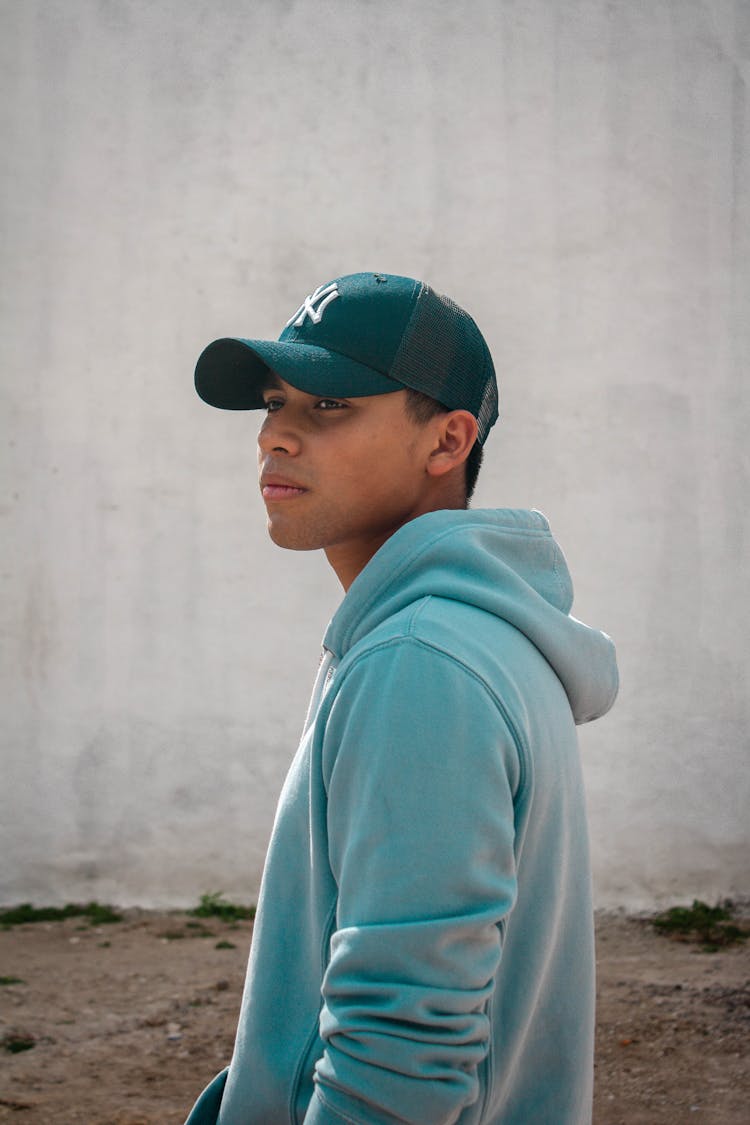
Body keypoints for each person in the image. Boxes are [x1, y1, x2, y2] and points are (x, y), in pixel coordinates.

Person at [184, 272, 618, 1125]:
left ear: (448, 440)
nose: (276, 433)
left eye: (330, 405)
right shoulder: (456, 637)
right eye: (276, 401)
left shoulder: (421, 664)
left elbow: (399, 1050)